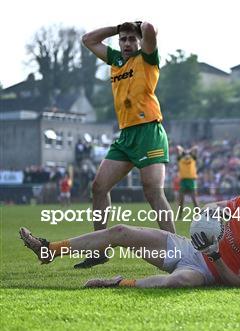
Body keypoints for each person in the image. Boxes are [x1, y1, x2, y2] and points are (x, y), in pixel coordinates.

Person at [19, 170, 240, 288]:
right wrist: (212, 211)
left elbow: (239, 282)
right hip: (187, 248)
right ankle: (50, 250)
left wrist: (214, 255)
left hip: (203, 271)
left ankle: (117, 283)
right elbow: (214, 204)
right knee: (120, 231)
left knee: (178, 282)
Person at [79, 21, 175, 268]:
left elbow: (152, 30)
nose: (127, 44)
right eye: (124, 39)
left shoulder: (147, 58)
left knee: (153, 191)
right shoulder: (115, 60)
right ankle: (100, 248)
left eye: (132, 39)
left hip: (149, 132)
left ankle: (177, 248)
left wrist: (142, 26)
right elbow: (88, 39)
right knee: (99, 187)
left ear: (139, 41)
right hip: (126, 137)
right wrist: (117, 28)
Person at [176, 145, 199, 219]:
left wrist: (188, 151)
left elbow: (195, 148)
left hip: (191, 180)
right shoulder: (180, 158)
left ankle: (198, 214)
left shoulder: (193, 157)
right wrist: (183, 151)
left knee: (194, 199)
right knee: (181, 199)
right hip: (183, 180)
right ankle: (180, 215)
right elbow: (178, 148)